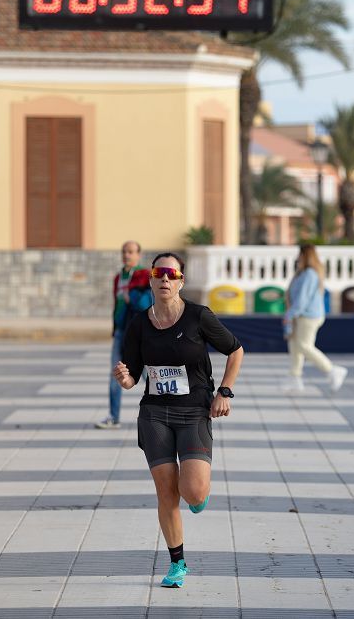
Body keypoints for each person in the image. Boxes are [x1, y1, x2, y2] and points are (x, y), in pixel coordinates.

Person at [113, 252, 243, 589]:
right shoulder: (139, 324)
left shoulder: (198, 317)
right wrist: (124, 379)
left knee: (193, 491)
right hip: (155, 413)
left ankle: (198, 497)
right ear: (152, 280)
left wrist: (224, 392)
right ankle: (177, 564)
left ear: (181, 280)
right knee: (166, 492)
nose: (165, 280)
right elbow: (133, 378)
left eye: (172, 274)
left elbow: (235, 349)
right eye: (159, 273)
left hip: (194, 412)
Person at [96, 240, 152, 429]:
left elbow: (145, 304)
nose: (127, 255)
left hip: (137, 333)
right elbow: (116, 305)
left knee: (146, 374)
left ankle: (159, 411)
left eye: (131, 252)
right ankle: (113, 416)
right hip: (121, 331)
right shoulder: (118, 277)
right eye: (124, 252)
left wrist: (132, 297)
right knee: (115, 372)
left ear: (138, 254)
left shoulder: (144, 275)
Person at [281, 244, 348, 392]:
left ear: (305, 256)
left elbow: (302, 299)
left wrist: (290, 314)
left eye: (300, 254)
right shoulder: (302, 273)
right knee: (294, 346)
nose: (297, 258)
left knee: (304, 346)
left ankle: (332, 370)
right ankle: (295, 378)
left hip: (308, 316)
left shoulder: (310, 274)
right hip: (301, 315)